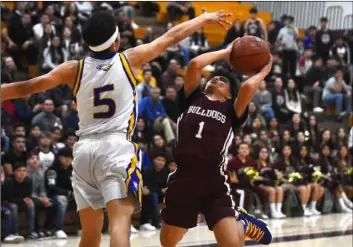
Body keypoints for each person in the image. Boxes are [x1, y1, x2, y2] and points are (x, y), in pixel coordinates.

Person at [1, 8, 234, 247]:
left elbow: (25, 87)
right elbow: (170, 37)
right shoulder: (129, 59)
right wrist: (204, 18)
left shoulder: (73, 69)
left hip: (83, 153)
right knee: (119, 226)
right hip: (115, 149)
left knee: (90, 234)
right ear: (116, 42)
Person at [160, 39, 273, 247]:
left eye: (223, 80)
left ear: (229, 94)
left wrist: (265, 69)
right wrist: (226, 52)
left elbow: (248, 87)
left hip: (214, 181)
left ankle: (243, 225)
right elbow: (195, 64)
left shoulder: (232, 110)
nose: (216, 79)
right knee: (167, 242)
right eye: (213, 78)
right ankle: (215, 222)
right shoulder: (192, 99)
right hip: (183, 178)